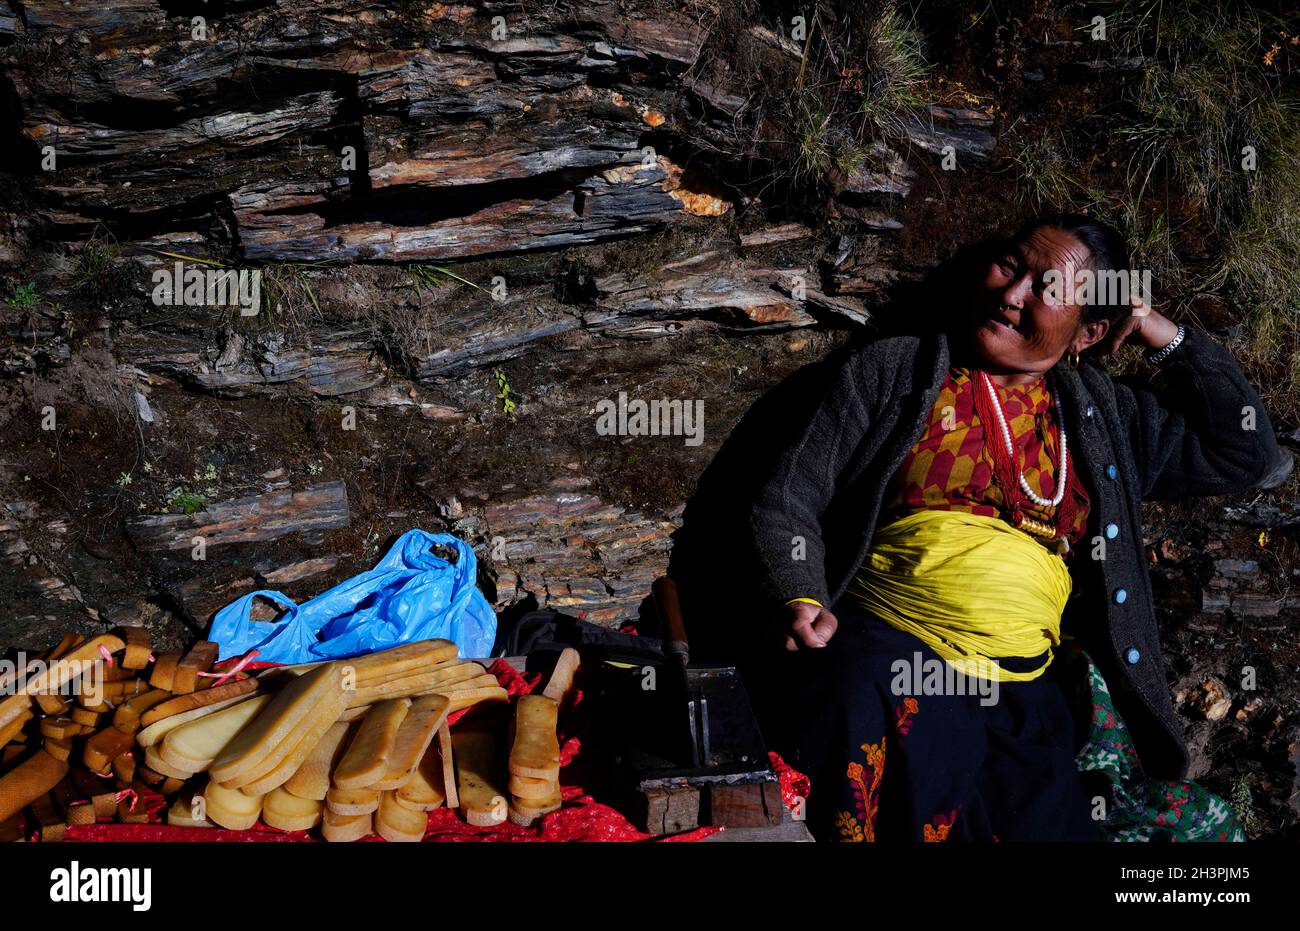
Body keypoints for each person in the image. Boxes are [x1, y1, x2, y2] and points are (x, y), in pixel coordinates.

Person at [749, 212, 1290, 841]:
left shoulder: (1105, 414)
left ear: (1087, 333)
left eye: (1048, 289)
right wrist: (800, 592)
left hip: (1027, 675)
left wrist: (1155, 330)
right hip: (894, 643)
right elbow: (792, 492)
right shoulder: (899, 371)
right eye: (1011, 265)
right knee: (891, 749)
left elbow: (1244, 451)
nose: (1012, 294)